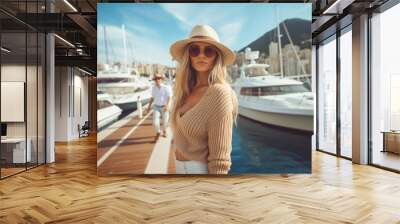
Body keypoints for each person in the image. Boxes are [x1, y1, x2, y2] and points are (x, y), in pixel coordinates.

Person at [169, 24, 238, 174]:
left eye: (208, 50)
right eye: (195, 50)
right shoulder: (186, 90)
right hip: (179, 169)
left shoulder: (219, 93)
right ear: (188, 56)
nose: (201, 55)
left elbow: (220, 161)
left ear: (216, 56)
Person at [146, 73, 172, 139]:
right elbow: (152, 98)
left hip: (164, 107)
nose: (158, 80)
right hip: (156, 107)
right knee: (155, 122)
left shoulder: (166, 87)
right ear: (154, 80)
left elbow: (170, 97)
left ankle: (164, 130)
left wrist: (167, 106)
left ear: (161, 79)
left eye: (159, 78)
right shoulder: (154, 88)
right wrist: (149, 107)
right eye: (156, 79)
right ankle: (158, 132)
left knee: (165, 122)